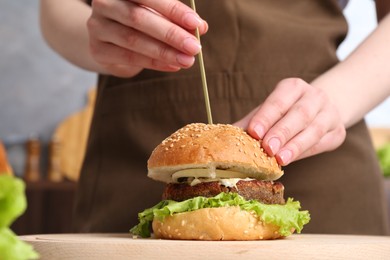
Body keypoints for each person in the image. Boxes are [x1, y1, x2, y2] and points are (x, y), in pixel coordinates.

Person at [39, 0, 390, 235]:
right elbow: (56, 8)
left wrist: (337, 99)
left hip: (320, 145)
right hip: (133, 146)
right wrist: (100, 36)